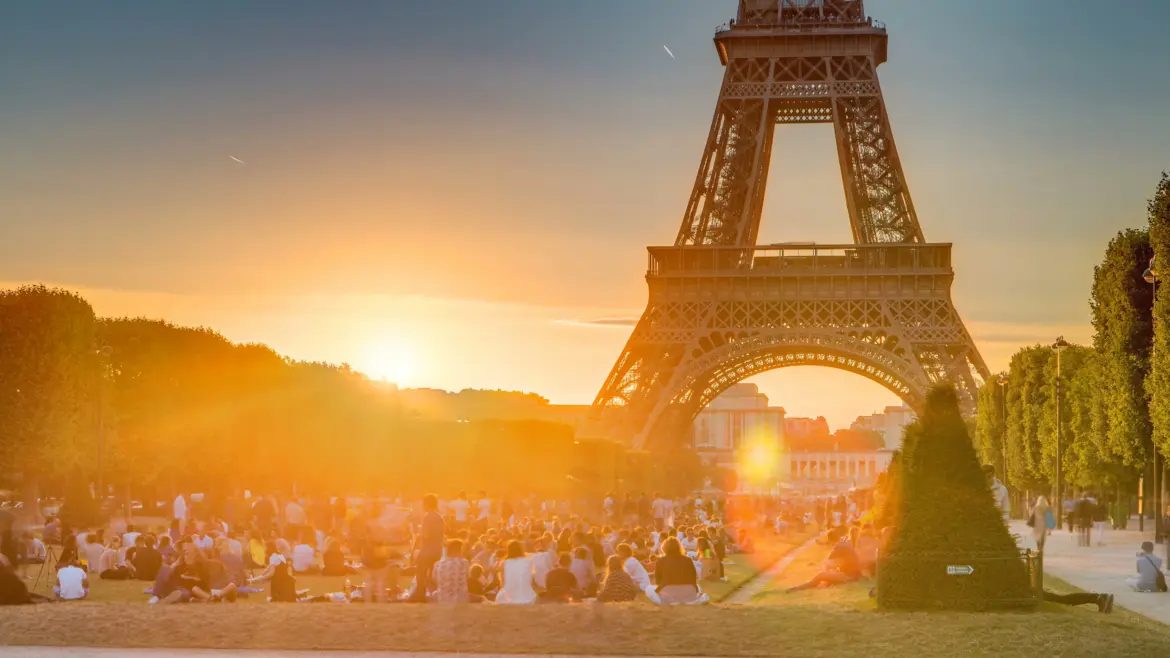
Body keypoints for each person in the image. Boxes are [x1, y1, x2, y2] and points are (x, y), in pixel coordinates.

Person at [787, 537, 862, 592]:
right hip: (853, 576)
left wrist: (827, 572)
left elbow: (827, 563)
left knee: (821, 575)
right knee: (826, 577)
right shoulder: (846, 545)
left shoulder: (839, 547)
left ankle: (797, 588)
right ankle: (803, 586)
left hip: (849, 577)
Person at [648, 536, 706, 605]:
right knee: (698, 587)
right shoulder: (689, 558)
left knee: (649, 589)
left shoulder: (707, 551)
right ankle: (686, 600)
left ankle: (672, 601)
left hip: (669, 592)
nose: (698, 545)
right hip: (688, 591)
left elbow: (658, 581)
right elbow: (693, 578)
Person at [410, 494, 445, 601]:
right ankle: (432, 594)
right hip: (437, 550)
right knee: (432, 575)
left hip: (427, 550)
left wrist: (419, 532)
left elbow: (426, 535)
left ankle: (420, 594)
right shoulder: (440, 517)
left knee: (420, 573)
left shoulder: (427, 516)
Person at [433, 539, 471, 603]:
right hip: (460, 599)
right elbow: (467, 578)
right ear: (459, 550)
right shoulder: (464, 563)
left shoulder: (438, 564)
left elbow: (434, 579)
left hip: (442, 599)